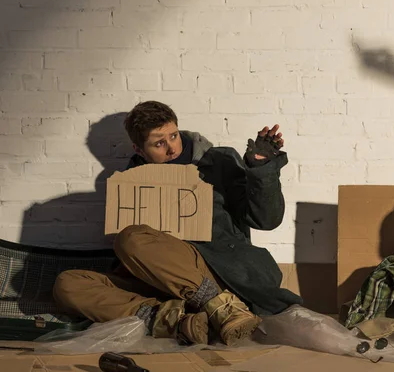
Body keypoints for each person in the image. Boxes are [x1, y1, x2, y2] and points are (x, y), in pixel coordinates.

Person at [52, 101, 302, 346]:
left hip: (217, 270)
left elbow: (266, 220)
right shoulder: (129, 183)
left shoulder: (219, 161)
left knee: (131, 238)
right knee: (67, 284)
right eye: (159, 143)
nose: (171, 148)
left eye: (173, 136)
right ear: (139, 150)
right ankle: (175, 321)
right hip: (162, 283)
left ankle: (223, 307)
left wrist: (261, 167)